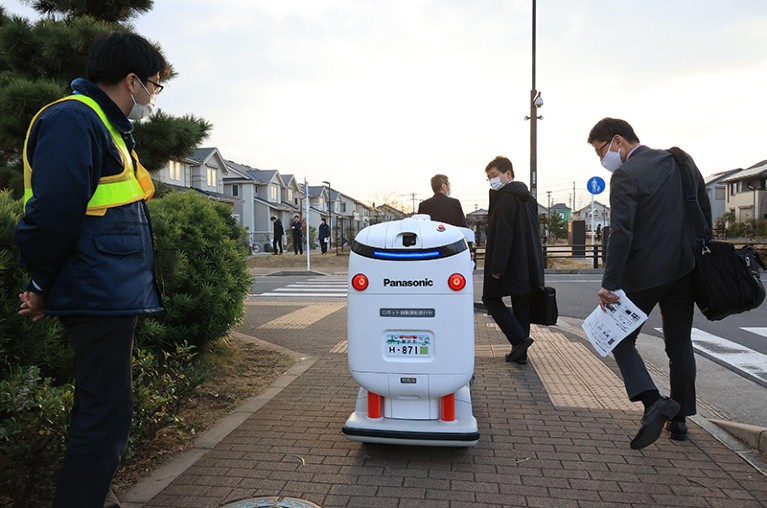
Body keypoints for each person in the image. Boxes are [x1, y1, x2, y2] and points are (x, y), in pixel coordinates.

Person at [14, 31, 168, 507]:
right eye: (155, 87)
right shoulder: (74, 120)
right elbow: (53, 212)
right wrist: (41, 283)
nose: (153, 98)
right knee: (105, 415)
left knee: (100, 410)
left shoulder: (102, 125)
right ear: (131, 80)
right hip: (96, 291)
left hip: (103, 290)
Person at [588, 117, 710, 450]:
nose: (602, 159)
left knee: (619, 338)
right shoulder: (679, 160)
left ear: (617, 141)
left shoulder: (626, 174)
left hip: (644, 274)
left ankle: (653, 400)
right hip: (684, 269)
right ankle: (680, 419)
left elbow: (622, 233)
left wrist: (610, 282)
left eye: (601, 151)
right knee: (679, 345)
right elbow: (702, 209)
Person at [481, 156, 544, 365]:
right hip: (527, 261)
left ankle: (519, 339)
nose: (492, 181)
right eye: (489, 178)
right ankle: (520, 353)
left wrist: (497, 266)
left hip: (508, 262)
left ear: (508, 174)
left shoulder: (507, 197)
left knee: (490, 299)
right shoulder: (527, 197)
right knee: (521, 305)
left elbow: (503, 234)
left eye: (494, 176)